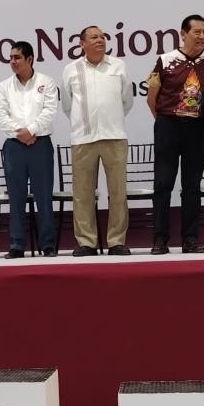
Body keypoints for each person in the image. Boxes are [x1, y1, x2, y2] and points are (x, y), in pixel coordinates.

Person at [147, 14, 204, 254]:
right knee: (163, 183)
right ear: (183, 34)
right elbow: (151, 97)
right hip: (168, 126)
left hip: (197, 128)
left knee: (192, 185)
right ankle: (160, 239)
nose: (202, 36)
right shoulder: (165, 60)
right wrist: (165, 121)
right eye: (197, 32)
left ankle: (190, 239)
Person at [62, 25, 134, 257]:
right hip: (83, 138)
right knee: (82, 194)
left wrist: (110, 118)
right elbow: (67, 105)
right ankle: (87, 242)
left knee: (118, 192)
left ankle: (116, 241)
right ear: (82, 43)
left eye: (102, 37)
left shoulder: (118, 66)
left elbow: (127, 100)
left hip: (114, 136)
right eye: (94, 37)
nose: (100, 40)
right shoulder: (71, 70)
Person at [0, 41, 58, 258]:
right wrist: (20, 133)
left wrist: (31, 131)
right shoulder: (4, 86)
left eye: (17, 57)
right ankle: (17, 245)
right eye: (11, 58)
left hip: (40, 144)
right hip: (14, 146)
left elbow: (49, 111)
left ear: (30, 59)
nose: (12, 61)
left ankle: (47, 244)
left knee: (43, 197)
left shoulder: (46, 82)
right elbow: (0, 115)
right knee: (16, 197)